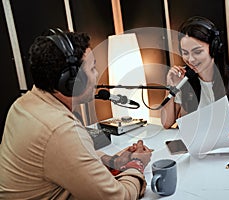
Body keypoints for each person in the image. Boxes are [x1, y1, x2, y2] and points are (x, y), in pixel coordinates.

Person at [0, 28, 152, 199]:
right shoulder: (61, 129)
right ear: (72, 81)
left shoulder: (24, 104)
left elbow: (69, 158)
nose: (96, 75)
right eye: (93, 68)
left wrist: (114, 161)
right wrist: (137, 165)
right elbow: (117, 197)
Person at [161, 16, 229, 147]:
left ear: (214, 48)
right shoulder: (184, 79)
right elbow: (166, 123)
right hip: (197, 148)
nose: (190, 59)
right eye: (185, 53)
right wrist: (171, 86)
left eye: (197, 52)